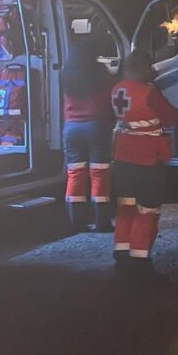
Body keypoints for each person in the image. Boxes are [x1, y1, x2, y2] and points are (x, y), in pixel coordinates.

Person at [110, 48, 178, 273]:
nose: (153, 71)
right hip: (148, 158)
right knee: (147, 210)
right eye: (150, 67)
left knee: (126, 207)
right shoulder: (148, 92)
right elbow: (171, 117)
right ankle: (140, 262)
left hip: (123, 156)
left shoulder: (117, 88)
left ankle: (122, 253)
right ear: (142, 68)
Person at [61, 42, 114, 232]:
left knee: (75, 174)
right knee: (99, 174)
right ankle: (102, 222)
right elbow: (111, 93)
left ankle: (76, 222)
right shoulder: (99, 70)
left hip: (71, 128)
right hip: (96, 126)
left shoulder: (66, 73)